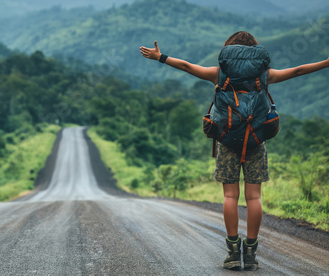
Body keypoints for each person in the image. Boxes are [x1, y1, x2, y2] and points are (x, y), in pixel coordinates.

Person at [139, 31, 329, 270]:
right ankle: (250, 254)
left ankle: (232, 253)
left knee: (230, 197)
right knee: (254, 197)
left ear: (230, 52)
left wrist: (160, 57)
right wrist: (326, 62)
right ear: (253, 53)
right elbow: (298, 70)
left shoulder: (220, 74)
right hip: (256, 142)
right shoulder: (265, 76)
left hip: (227, 141)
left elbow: (187, 66)